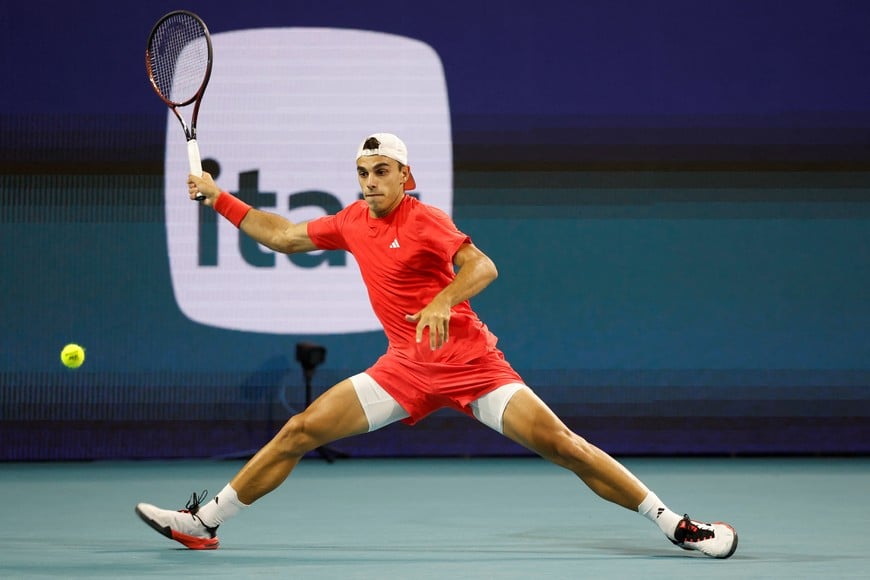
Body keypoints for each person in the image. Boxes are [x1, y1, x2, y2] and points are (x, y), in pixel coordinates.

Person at [135, 133, 738, 559]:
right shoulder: (351, 221)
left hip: (472, 366)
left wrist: (444, 300)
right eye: (363, 173)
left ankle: (675, 525)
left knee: (565, 446)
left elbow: (483, 266)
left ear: (405, 176)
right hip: (403, 369)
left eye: (381, 172)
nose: (370, 182)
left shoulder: (425, 219)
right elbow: (286, 236)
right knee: (300, 430)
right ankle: (204, 522)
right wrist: (220, 198)